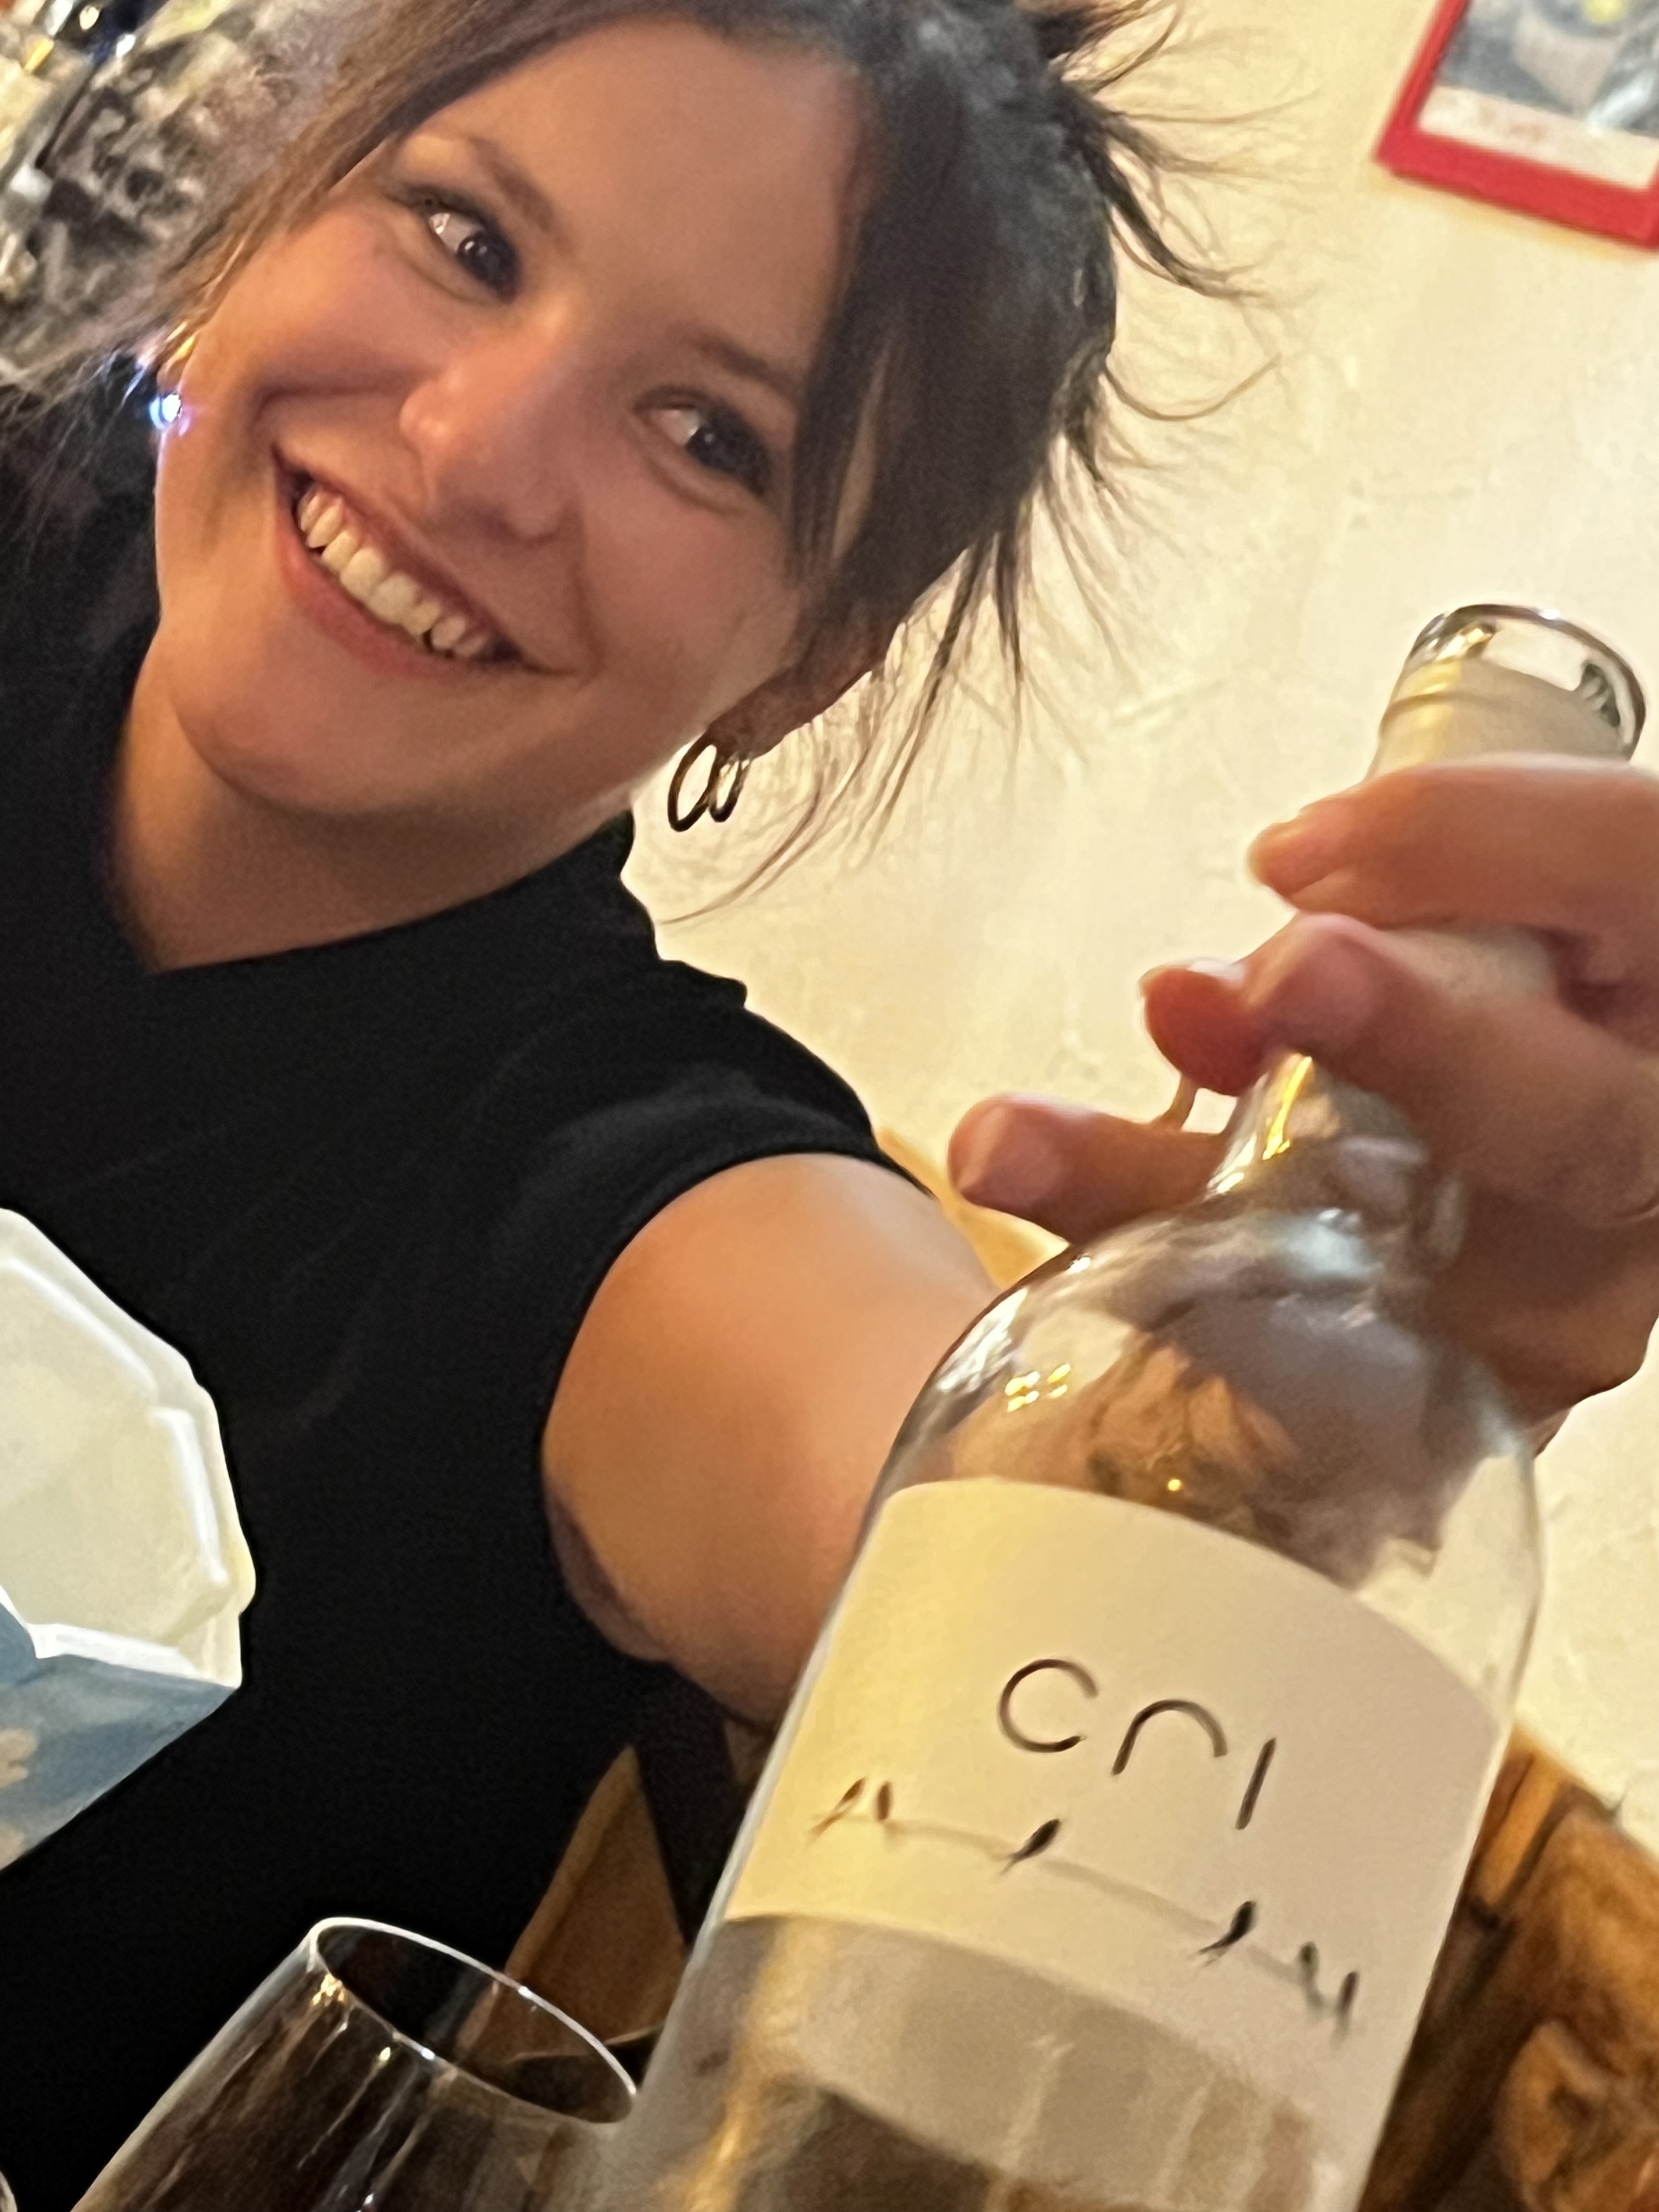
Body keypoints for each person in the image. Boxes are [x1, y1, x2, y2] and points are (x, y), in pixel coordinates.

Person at [2, 0, 1659, 2199]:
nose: (477, 451)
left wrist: (1354, 1431)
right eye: (468, 240)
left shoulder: (629, 1193)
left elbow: (1009, 1571)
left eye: (708, 437)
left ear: (802, 666)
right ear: (267, 208)